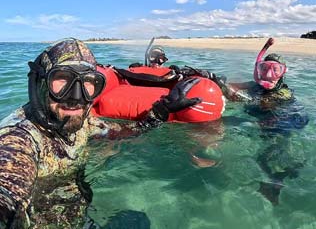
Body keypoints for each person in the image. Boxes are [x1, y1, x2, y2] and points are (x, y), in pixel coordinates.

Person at [0, 38, 202, 229]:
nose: (76, 97)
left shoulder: (83, 123)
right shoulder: (19, 139)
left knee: (137, 219)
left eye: (88, 82)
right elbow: (7, 191)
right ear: (41, 83)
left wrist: (161, 112)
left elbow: (127, 132)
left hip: (77, 218)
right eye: (62, 79)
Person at [218, 37, 309, 204]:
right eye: (265, 68)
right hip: (263, 125)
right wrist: (218, 82)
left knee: (267, 155)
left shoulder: (283, 94)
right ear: (259, 70)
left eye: (276, 70)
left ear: (283, 73)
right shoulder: (255, 85)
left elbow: (263, 104)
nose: (269, 75)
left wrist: (237, 97)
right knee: (261, 156)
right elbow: (233, 86)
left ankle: (278, 180)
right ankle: (277, 179)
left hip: (281, 126)